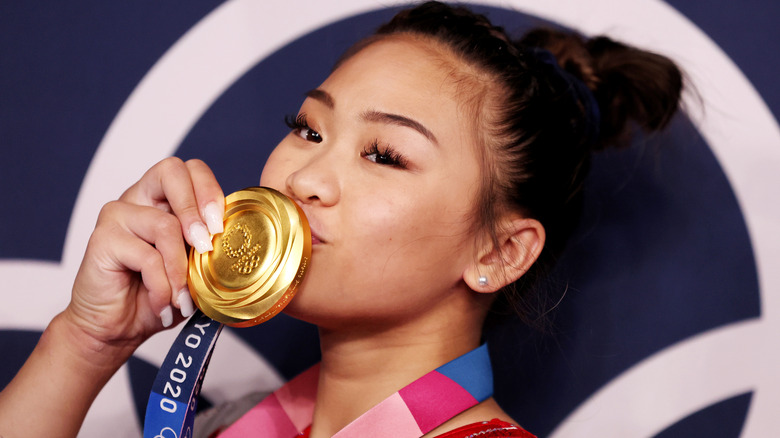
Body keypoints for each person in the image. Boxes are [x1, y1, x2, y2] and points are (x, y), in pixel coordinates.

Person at [0, 2, 683, 437]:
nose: (304, 179)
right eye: (307, 128)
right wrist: (84, 343)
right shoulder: (226, 427)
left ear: (500, 251)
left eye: (384, 155)